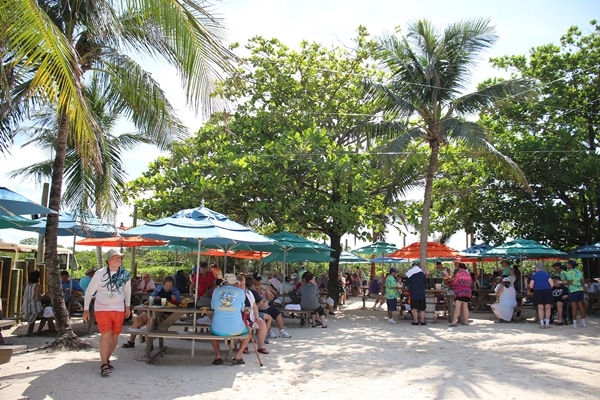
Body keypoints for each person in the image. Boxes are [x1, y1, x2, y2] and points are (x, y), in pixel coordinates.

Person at [83, 249, 131, 377]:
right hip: (102, 308)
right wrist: (86, 309)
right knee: (105, 334)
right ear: (109, 260)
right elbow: (89, 291)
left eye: (120, 257)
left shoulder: (125, 274)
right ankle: (104, 363)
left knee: (115, 335)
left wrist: (128, 306)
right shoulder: (99, 274)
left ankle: (107, 359)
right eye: (116, 257)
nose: (119, 259)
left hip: (119, 308)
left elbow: (127, 291)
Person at [210, 273, 251, 365]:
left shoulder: (216, 291)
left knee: (212, 331)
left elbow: (213, 306)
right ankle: (238, 355)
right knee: (249, 331)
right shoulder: (240, 292)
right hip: (236, 329)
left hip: (218, 330)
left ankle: (218, 356)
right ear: (234, 282)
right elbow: (241, 309)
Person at [249, 274, 292, 338]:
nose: (259, 282)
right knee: (267, 315)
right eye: (257, 280)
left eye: (260, 280)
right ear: (254, 280)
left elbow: (272, 298)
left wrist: (268, 293)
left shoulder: (264, 287)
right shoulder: (252, 289)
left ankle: (282, 331)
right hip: (258, 308)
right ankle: (269, 331)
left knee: (277, 313)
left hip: (266, 306)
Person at [238, 274, 269, 354]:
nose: (242, 286)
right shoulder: (235, 293)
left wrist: (257, 317)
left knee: (261, 323)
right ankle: (244, 346)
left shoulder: (249, 292)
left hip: (250, 316)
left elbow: (254, 305)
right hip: (239, 318)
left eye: (243, 284)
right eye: (240, 284)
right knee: (247, 326)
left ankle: (261, 347)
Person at [528, 263, 554, 329]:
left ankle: (542, 323)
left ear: (537, 268)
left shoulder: (534, 275)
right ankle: (547, 323)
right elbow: (552, 284)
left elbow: (531, 286)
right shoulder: (546, 274)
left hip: (538, 291)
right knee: (548, 307)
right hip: (547, 290)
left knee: (540, 307)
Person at [564, 259, 586, 328]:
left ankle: (574, 323)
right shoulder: (579, 272)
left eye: (568, 264)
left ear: (571, 265)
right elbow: (582, 282)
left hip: (573, 290)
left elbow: (570, 282)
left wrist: (562, 283)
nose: (567, 265)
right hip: (580, 290)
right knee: (581, 306)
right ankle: (583, 322)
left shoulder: (569, 273)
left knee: (574, 307)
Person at [449, 263, 472, 327]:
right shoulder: (468, 274)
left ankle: (454, 321)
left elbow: (455, 282)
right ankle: (466, 321)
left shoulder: (459, 273)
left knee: (457, 307)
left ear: (460, 268)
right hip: (467, 292)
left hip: (460, 291)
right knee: (465, 307)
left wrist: (452, 281)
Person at [23, 270, 43, 336]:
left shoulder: (27, 285)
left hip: (25, 307)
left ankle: (31, 331)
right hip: (34, 309)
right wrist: (46, 295)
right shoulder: (37, 286)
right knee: (47, 314)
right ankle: (39, 331)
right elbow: (37, 299)